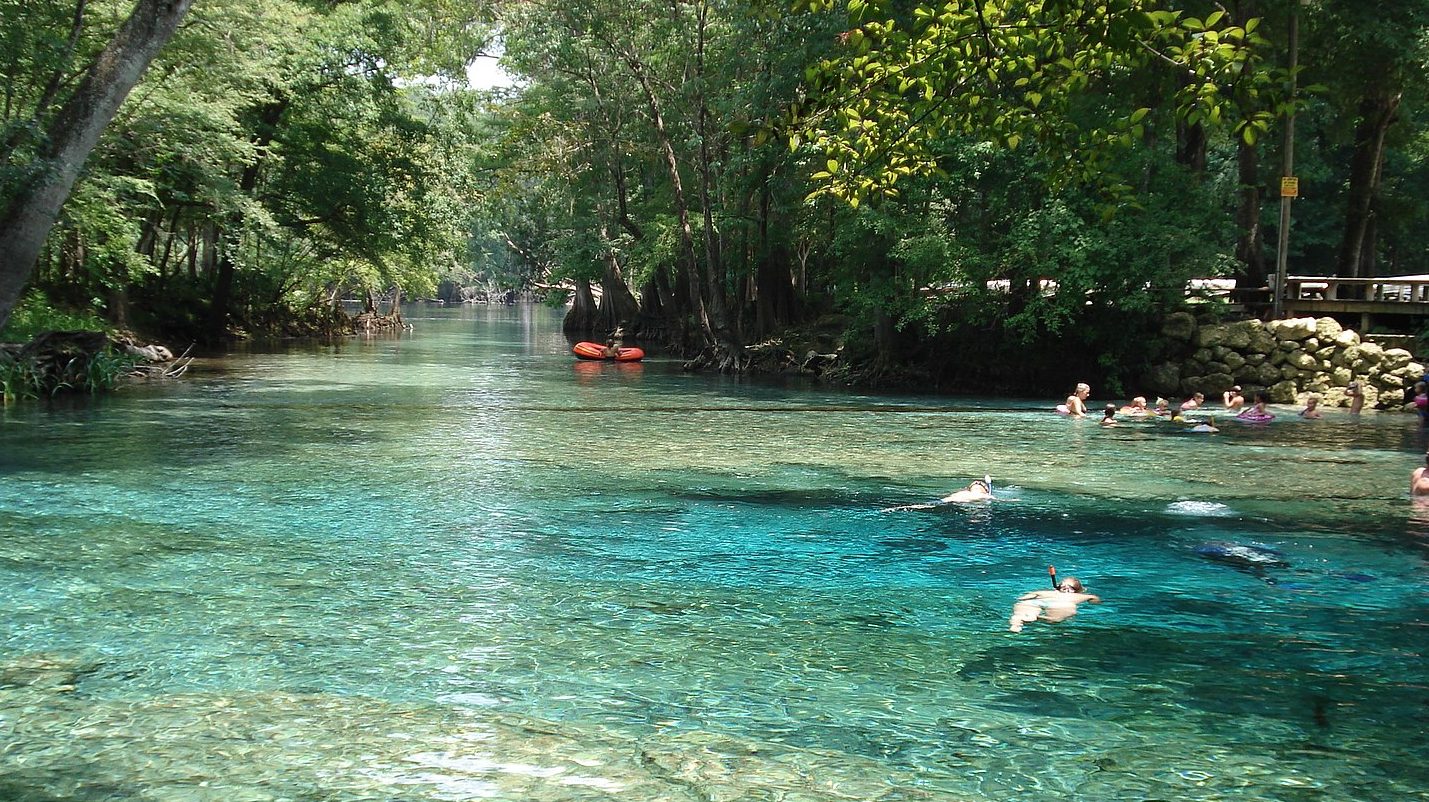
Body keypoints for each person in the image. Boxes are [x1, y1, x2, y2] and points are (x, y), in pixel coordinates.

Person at [1008, 566, 1102, 633]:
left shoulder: (1046, 592)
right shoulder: (1077, 596)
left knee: (1020, 614)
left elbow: (1028, 596)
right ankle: (1040, 619)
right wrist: (1094, 601)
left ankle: (1016, 624)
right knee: (1054, 620)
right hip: (1061, 604)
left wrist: (1021, 599)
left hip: (1037, 602)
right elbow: (1094, 598)